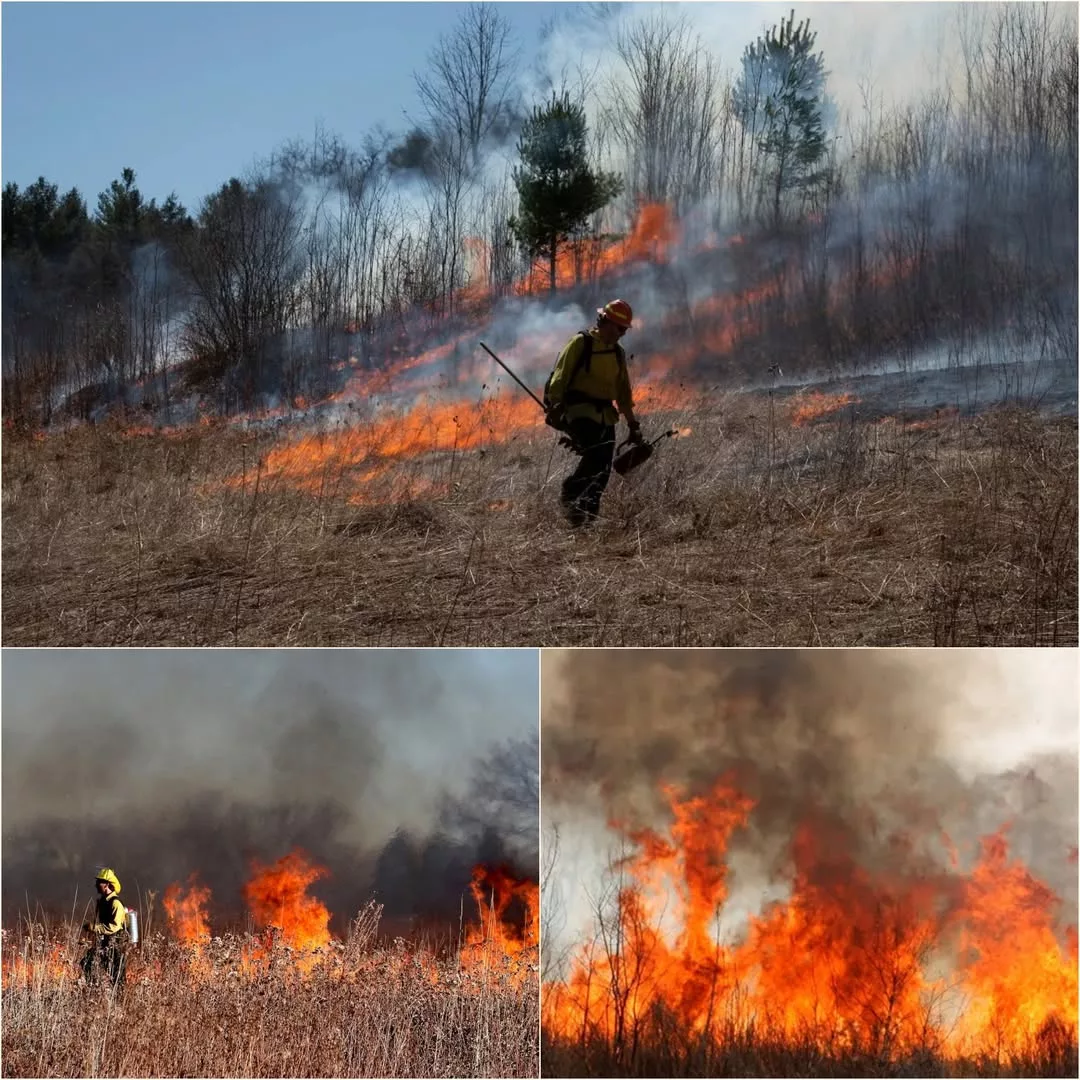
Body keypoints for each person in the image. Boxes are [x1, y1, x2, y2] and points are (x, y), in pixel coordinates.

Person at [545, 299, 643, 526]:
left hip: (605, 415)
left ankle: (587, 517)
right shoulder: (581, 343)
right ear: (606, 322)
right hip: (578, 410)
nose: (622, 334)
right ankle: (571, 492)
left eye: (624, 330)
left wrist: (633, 425)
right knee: (596, 456)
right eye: (619, 328)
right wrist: (555, 406)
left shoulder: (617, 353)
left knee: (604, 468)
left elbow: (623, 394)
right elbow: (560, 377)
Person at [81, 868, 128, 988]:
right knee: (87, 963)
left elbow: (114, 927)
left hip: (115, 945)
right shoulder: (103, 901)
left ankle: (118, 997)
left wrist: (95, 928)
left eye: (99, 882)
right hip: (105, 943)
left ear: (107, 884)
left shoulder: (115, 903)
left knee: (117, 978)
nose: (96, 885)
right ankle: (94, 990)